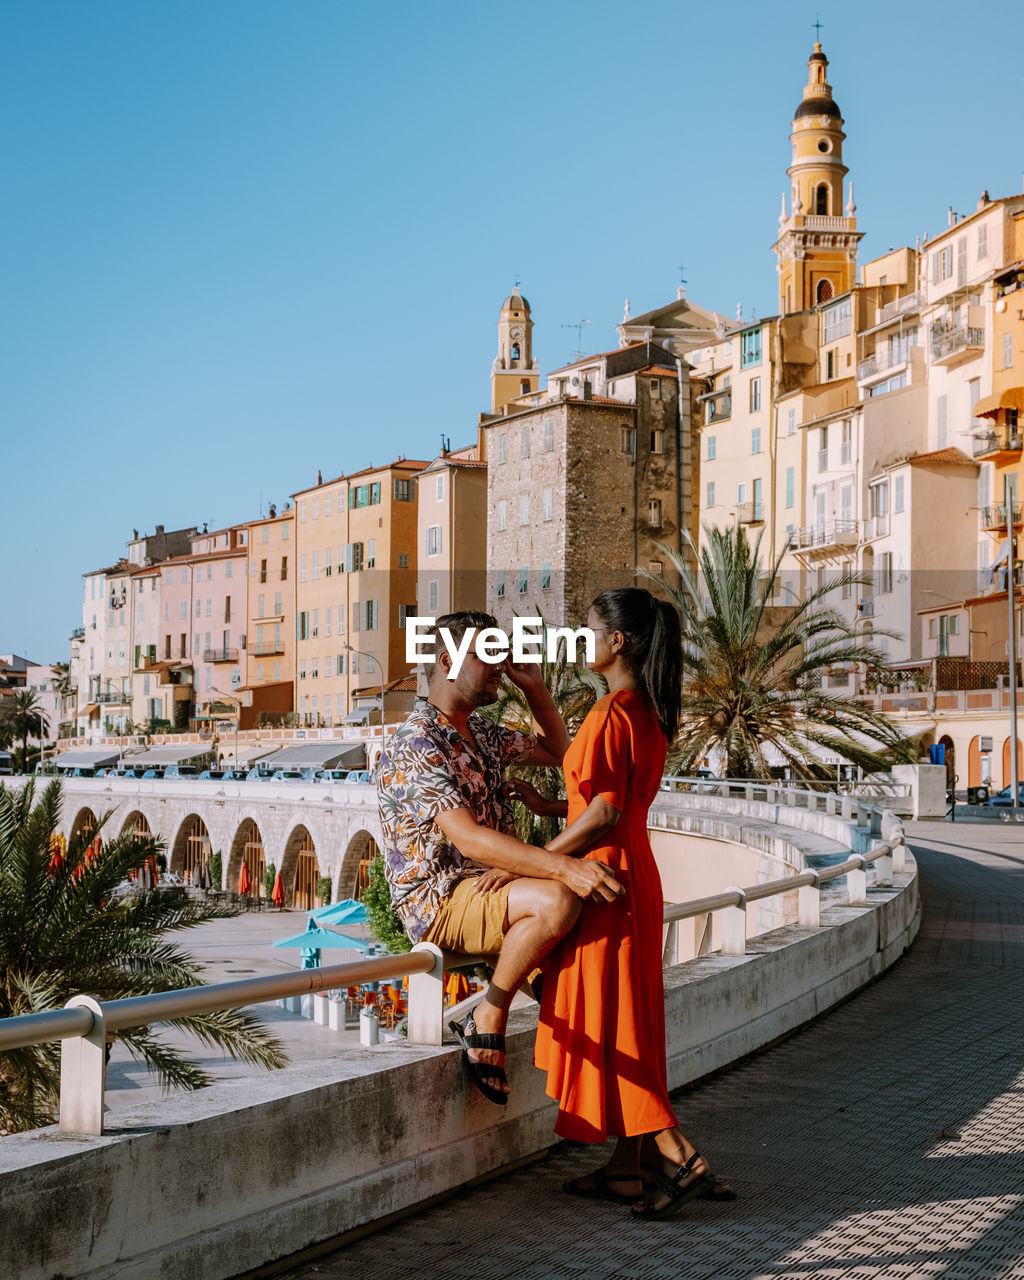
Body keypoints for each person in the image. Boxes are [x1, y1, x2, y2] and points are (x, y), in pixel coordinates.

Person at [523, 587, 729, 1220]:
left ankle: (680, 1156)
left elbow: (607, 810)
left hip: (605, 878)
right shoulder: (646, 709)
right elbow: (618, 803)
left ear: (617, 641)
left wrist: (538, 857)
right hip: (633, 871)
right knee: (625, 1016)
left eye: (587, 631)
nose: (580, 641)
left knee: (610, 1022)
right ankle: (627, 1170)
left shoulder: (614, 711)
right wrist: (554, 807)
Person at [376, 610, 624, 1106]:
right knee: (558, 900)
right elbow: (467, 839)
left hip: (498, 891)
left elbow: (562, 752)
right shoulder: (415, 743)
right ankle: (488, 1013)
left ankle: (626, 1136)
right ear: (446, 662)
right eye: (486, 655)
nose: (499, 665)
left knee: (583, 997)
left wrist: (535, 690)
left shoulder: (481, 732)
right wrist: (564, 866)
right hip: (442, 900)